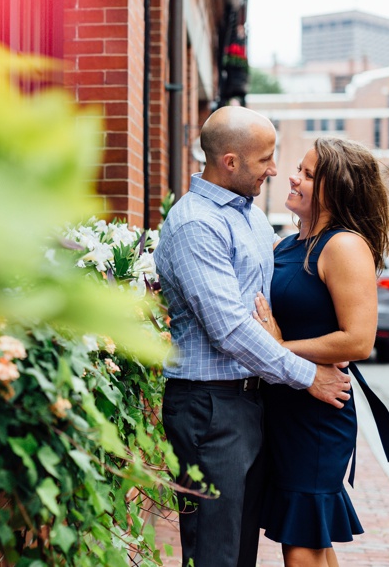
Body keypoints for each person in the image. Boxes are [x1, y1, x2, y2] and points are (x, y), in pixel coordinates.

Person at [153, 106, 353, 567]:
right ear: (231, 162)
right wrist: (308, 376)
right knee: (214, 552)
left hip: (251, 404)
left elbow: (270, 303)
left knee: (240, 551)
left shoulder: (251, 218)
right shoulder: (195, 224)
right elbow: (230, 330)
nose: (275, 169)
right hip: (209, 410)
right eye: (266, 158)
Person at [252, 137, 389, 567]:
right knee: (309, 539)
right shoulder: (287, 244)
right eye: (299, 167)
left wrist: (278, 348)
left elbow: (358, 340)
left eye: (308, 174)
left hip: (318, 413)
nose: (293, 177)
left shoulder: (343, 246)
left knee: (301, 544)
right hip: (287, 404)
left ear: (334, 190)